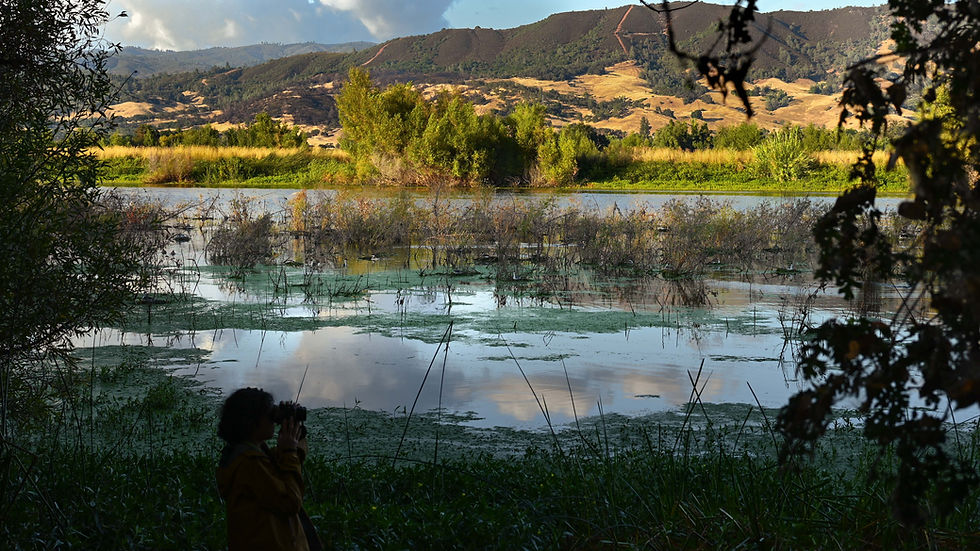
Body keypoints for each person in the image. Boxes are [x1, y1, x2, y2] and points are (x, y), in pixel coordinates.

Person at [217, 387, 321, 551]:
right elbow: (290, 501)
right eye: (270, 414)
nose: (274, 420)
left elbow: (281, 470)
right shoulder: (249, 463)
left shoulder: (253, 454)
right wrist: (289, 451)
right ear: (251, 421)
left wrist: (294, 440)